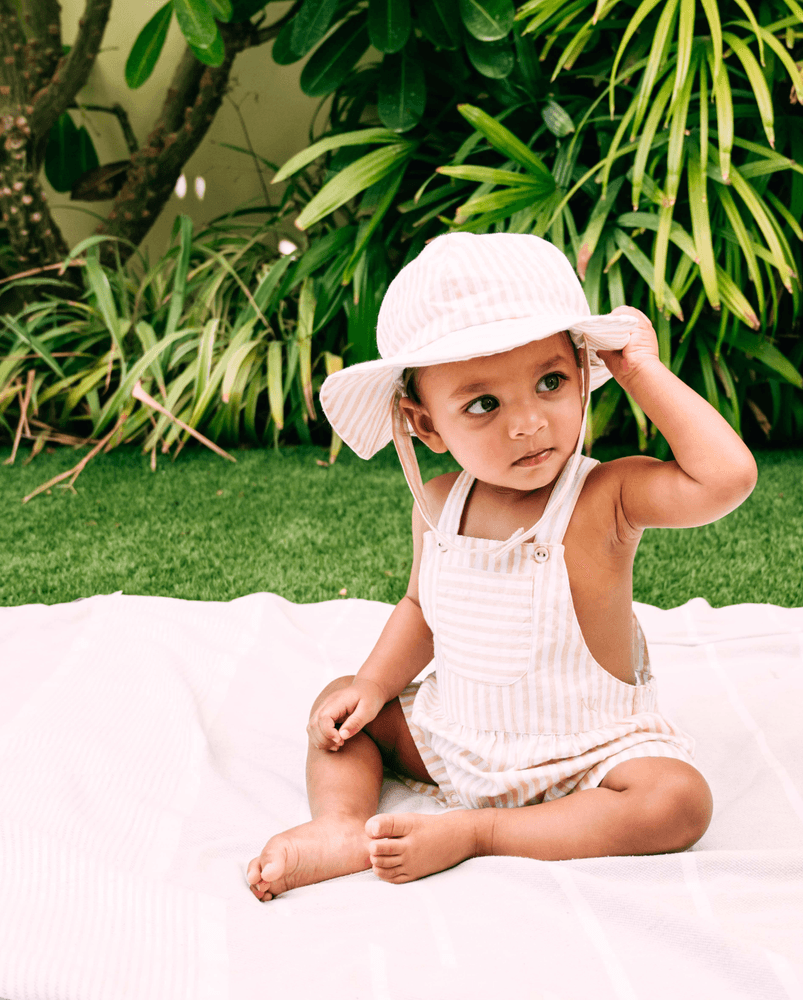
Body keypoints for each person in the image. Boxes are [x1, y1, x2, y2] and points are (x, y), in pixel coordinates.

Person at [247, 233, 757, 896]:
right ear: (425, 425)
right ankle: (341, 826)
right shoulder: (438, 504)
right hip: (456, 742)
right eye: (483, 404)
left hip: (588, 758)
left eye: (550, 383)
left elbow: (727, 477)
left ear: (582, 374)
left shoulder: (606, 496)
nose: (528, 424)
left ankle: (477, 834)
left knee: (677, 800)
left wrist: (639, 373)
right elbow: (420, 611)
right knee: (337, 708)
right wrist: (373, 686)